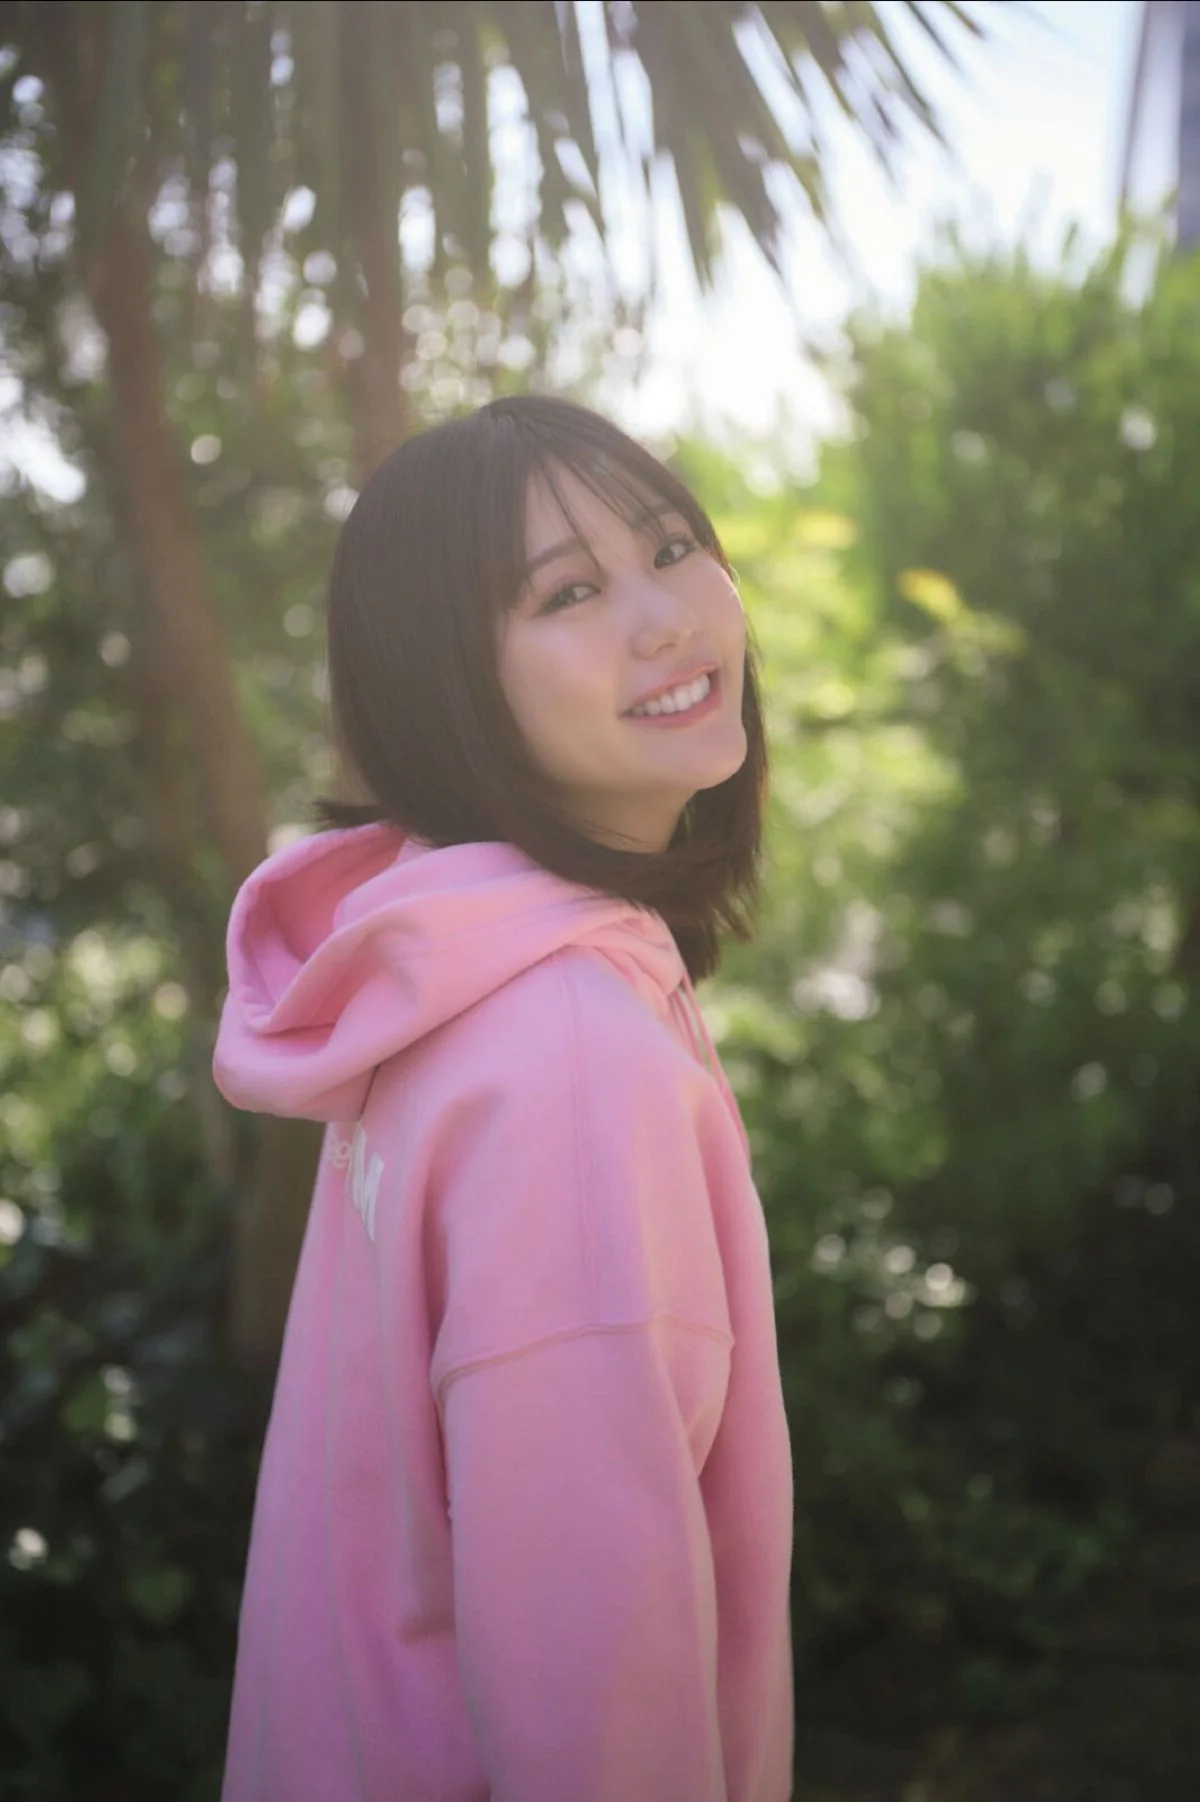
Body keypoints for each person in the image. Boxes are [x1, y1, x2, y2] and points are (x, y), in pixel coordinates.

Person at [213, 394, 795, 1802]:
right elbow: (591, 1696)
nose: (665, 618)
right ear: (452, 687)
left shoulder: (444, 977)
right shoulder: (570, 1060)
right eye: (570, 592)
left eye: (672, 547)